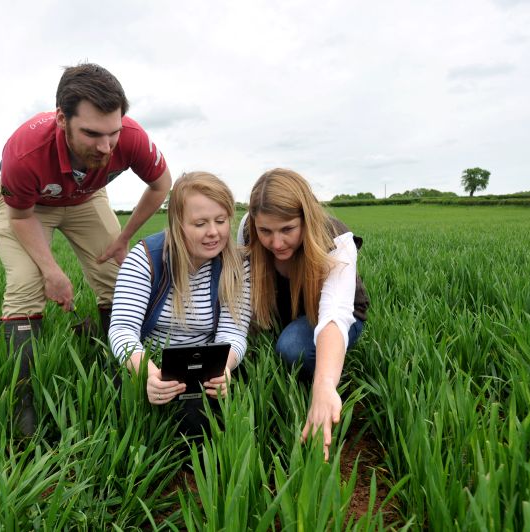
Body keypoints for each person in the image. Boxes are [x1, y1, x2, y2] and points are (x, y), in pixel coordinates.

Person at [0, 63, 171, 435]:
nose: (106, 147)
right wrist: (52, 271)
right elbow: (21, 217)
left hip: (86, 198)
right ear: (62, 119)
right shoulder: (24, 153)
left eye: (113, 134)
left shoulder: (131, 137)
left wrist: (124, 238)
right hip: (31, 206)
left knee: (117, 275)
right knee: (26, 284)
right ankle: (23, 405)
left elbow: (160, 185)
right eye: (92, 134)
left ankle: (120, 370)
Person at [239, 168, 369, 459]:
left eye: (287, 229)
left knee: (292, 348)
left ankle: (329, 383)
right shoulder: (248, 230)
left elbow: (335, 312)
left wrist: (323, 385)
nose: (275, 243)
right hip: (289, 313)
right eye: (266, 231)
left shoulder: (335, 238)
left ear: (306, 219)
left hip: (341, 317)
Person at [109, 172, 251, 434]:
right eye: (200, 224)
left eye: (220, 221)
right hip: (150, 361)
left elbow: (234, 331)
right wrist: (149, 375)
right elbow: (122, 328)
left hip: (209, 366)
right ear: (177, 224)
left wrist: (224, 369)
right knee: (131, 416)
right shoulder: (146, 259)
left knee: (203, 424)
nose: (213, 232)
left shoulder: (236, 264)